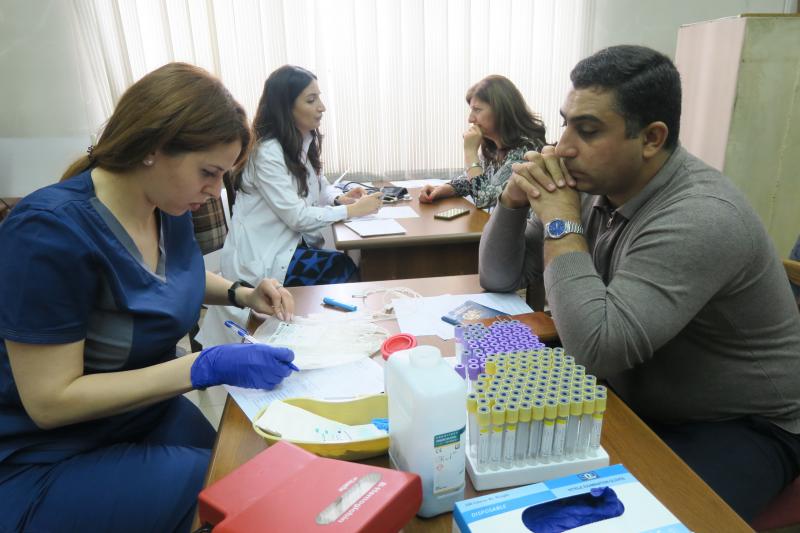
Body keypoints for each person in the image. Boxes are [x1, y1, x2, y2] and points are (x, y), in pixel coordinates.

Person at [479, 45, 800, 522]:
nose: (563, 147)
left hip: (741, 423)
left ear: (651, 138)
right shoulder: (594, 186)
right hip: (636, 392)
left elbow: (596, 350)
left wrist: (562, 223)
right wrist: (510, 202)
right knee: (501, 473)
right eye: (566, 124)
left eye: (588, 130)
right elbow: (498, 276)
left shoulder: (701, 216)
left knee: (624, 523)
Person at [0, 63, 299, 533]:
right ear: (153, 148)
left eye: (222, 175)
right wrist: (201, 367)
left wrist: (241, 293)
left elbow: (170, 275)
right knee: (230, 489)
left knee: (250, 457)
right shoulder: (47, 234)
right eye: (208, 172)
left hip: (134, 417)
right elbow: (50, 401)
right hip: (43, 455)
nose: (215, 191)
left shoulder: (167, 207)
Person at [197, 65, 382, 348]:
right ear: (286, 106)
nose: (322, 107)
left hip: (290, 246)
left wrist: (339, 199)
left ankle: (332, 335)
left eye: (319, 97)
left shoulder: (302, 141)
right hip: (263, 257)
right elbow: (297, 217)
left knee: (341, 266)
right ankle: (333, 339)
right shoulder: (268, 152)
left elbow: (319, 185)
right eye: (311, 100)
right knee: (341, 268)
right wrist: (352, 211)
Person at [419, 75, 547, 210]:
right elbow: (473, 179)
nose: (470, 119)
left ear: (501, 111)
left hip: (525, 224)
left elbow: (483, 198)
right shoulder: (494, 145)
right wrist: (443, 189)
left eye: (477, 110)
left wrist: (470, 152)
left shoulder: (527, 150)